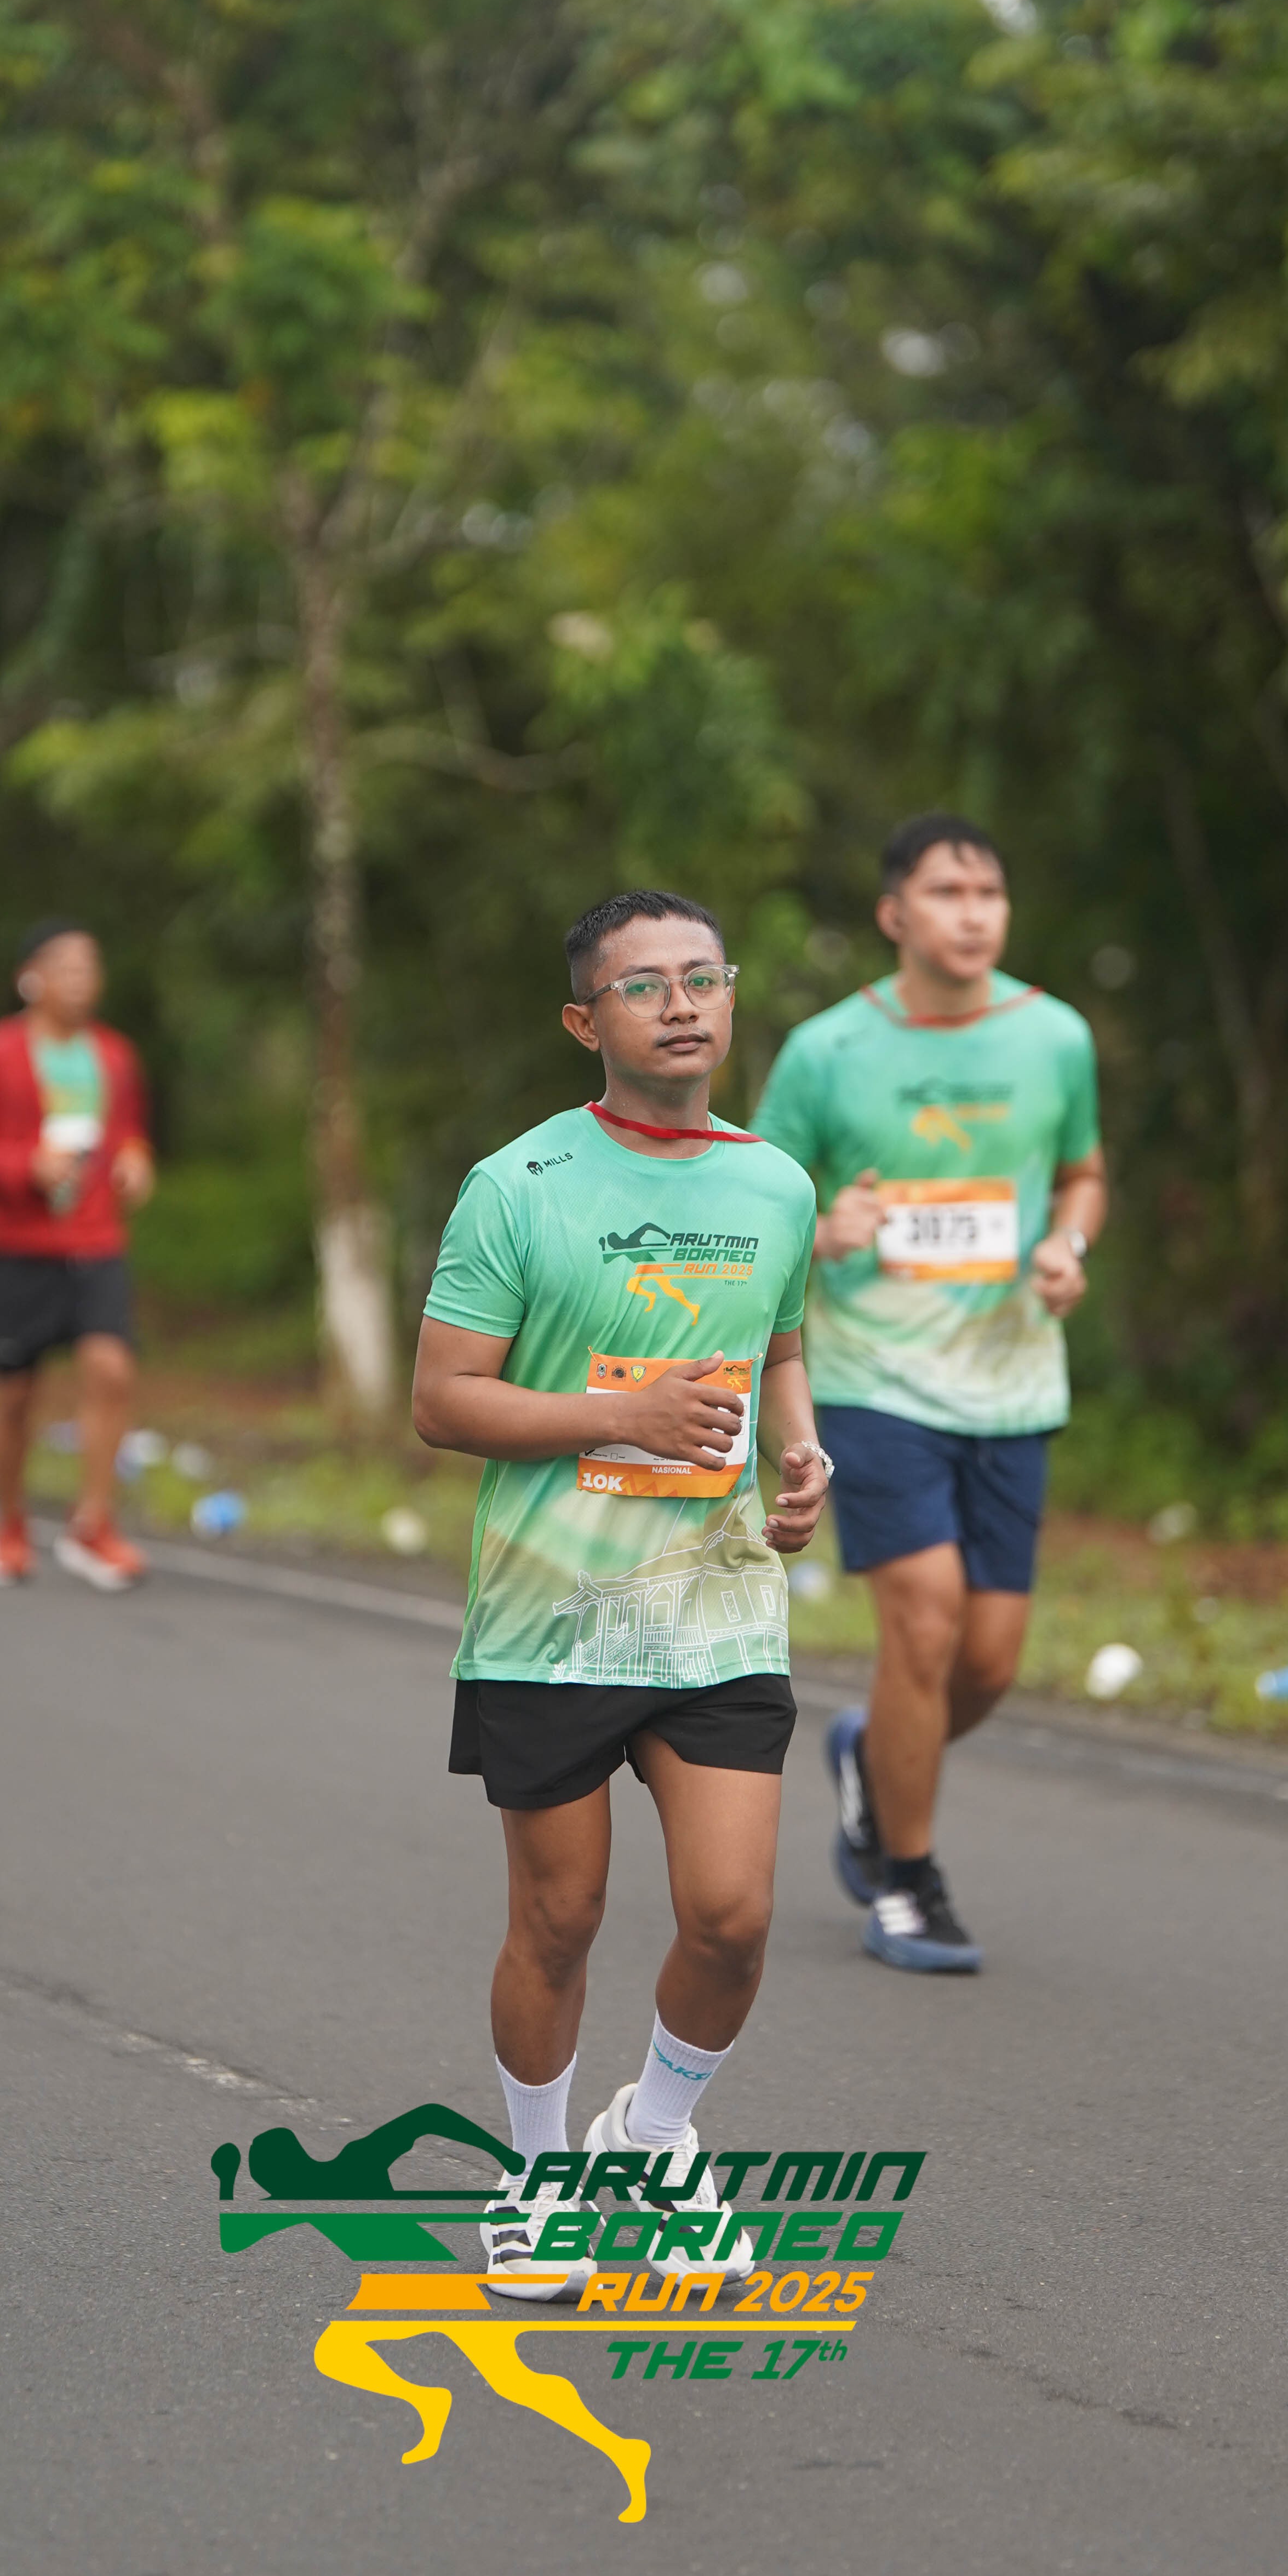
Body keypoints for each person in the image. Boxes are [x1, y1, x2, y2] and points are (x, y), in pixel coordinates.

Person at [412, 890, 828, 2302]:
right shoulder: (517, 1186)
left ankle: (651, 2138)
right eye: (643, 985)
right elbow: (441, 1401)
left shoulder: (775, 1185)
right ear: (584, 1022)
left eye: (703, 976)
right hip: (550, 1614)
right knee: (561, 1917)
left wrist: (799, 1457)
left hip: (716, 1610)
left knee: (732, 1915)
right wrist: (621, 1419)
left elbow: (779, 1346)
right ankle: (537, 2179)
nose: (682, 1002)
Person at [753, 814, 1104, 1974]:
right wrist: (822, 1226)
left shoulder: (1054, 1036)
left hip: (1011, 1382)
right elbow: (750, 1198)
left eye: (988, 893)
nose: (972, 913)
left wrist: (1067, 1245)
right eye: (947, 892)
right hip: (871, 1378)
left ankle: (872, 1756)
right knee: (924, 1618)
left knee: (987, 1662)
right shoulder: (825, 1050)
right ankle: (906, 1883)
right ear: (893, 914)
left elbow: (1082, 1174)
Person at [0, 920, 156, 1592]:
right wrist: (25, 1165)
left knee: (112, 1369)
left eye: (90, 967)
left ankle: (94, 1524)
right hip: (15, 1246)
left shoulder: (114, 1056)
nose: (81, 980)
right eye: (66, 968)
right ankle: (8, 1523)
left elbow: (129, 1134)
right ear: (30, 978)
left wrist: (135, 1161)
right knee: (14, 1393)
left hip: (95, 1241)